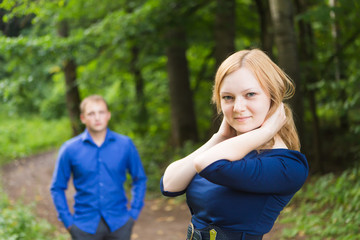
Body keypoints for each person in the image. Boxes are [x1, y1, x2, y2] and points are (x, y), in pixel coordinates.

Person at [160, 49, 309, 240]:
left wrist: (266, 132)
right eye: (228, 97)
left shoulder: (287, 165)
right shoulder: (224, 148)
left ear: (273, 97)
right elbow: (169, 184)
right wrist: (220, 136)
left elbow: (206, 164)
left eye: (250, 94)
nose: (238, 108)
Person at [50, 95, 147, 240]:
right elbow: (57, 187)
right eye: (91, 113)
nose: (97, 117)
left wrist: (133, 213)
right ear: (83, 118)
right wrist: (68, 222)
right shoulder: (69, 149)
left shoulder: (125, 145)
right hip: (83, 227)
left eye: (101, 112)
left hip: (120, 224)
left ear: (108, 115)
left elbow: (139, 179)